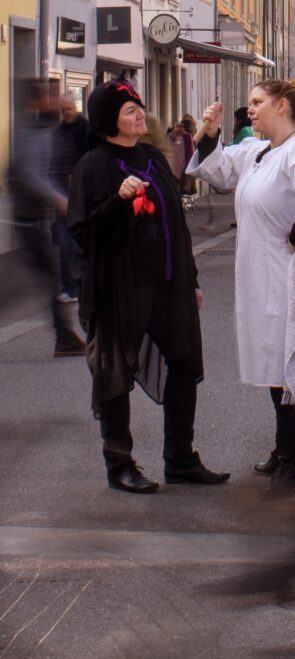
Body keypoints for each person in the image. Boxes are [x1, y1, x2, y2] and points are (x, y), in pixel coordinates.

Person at [67, 79, 228, 492]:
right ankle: (119, 463)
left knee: (186, 363)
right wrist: (119, 201)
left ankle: (179, 458)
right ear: (109, 122)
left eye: (139, 107)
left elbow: (176, 223)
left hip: (168, 283)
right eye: (129, 111)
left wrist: (190, 279)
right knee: (115, 374)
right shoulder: (93, 166)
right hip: (119, 288)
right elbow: (83, 233)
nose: (140, 114)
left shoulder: (152, 159)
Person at [188, 80, 295, 490]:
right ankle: (285, 445)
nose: (250, 109)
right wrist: (211, 133)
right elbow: (219, 171)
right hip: (258, 275)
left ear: (282, 106)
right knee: (274, 367)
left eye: (257, 103)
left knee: (289, 363)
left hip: (285, 276)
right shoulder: (256, 152)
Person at [6, 80, 86, 356]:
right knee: (32, 282)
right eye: (47, 96)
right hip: (27, 219)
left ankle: (65, 338)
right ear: (35, 103)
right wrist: (59, 198)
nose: (52, 101)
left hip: (34, 219)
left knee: (40, 279)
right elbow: (32, 175)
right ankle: (65, 338)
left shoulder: (47, 129)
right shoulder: (32, 132)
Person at [51, 94, 89, 303]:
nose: (67, 113)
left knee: (80, 242)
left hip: (82, 194)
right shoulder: (59, 133)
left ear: (75, 107)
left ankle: (83, 284)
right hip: (62, 196)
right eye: (63, 109)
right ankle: (69, 287)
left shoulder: (84, 129)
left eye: (69, 108)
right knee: (66, 245)